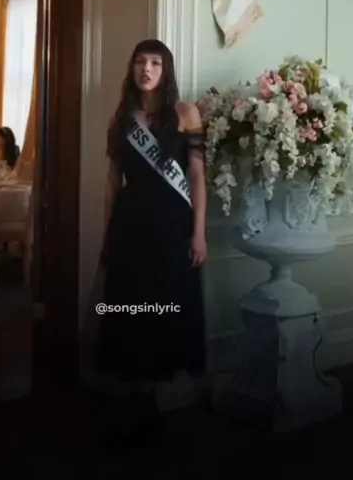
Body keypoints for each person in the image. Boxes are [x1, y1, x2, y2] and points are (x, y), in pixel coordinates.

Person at [95, 38, 207, 439]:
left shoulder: (185, 113)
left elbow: (198, 178)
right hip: (130, 225)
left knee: (165, 304)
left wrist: (198, 233)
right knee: (132, 307)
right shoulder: (123, 118)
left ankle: (156, 401)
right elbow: (112, 183)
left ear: (166, 70)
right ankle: (137, 399)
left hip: (172, 225)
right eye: (140, 62)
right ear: (132, 68)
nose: (147, 69)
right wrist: (107, 232)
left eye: (155, 63)